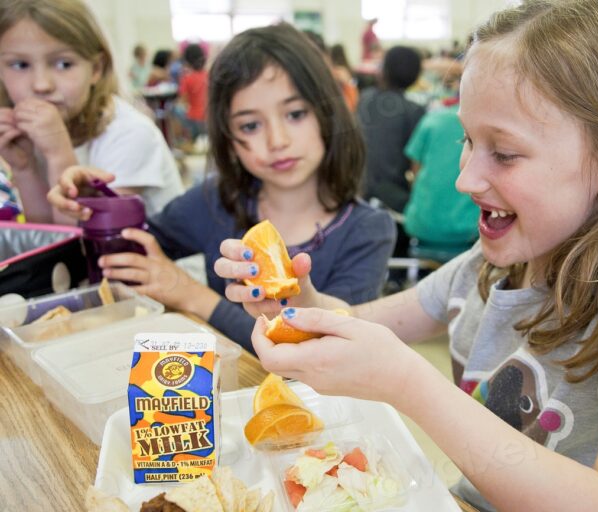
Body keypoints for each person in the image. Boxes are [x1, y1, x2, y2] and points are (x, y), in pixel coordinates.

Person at [214, 1, 598, 510]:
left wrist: (410, 385)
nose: (464, 179)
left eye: (504, 153)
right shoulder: (491, 263)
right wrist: (301, 304)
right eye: (467, 138)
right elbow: (361, 322)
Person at [48, 24, 396, 353]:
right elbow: (128, 254)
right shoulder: (214, 201)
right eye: (250, 125)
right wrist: (99, 210)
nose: (277, 141)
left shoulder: (368, 230)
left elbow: (320, 351)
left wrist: (193, 296)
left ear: (328, 114)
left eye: (295, 114)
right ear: (228, 139)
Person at [0, 0, 183, 223]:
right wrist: (24, 169)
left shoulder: (130, 133)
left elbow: (83, 247)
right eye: (20, 65)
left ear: (96, 68)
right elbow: (46, 239)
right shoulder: (33, 131)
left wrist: (59, 154)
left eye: (64, 64)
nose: (41, 85)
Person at [402, 92, 478, 257]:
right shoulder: (483, 124)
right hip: (469, 233)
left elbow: (415, 171)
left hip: (421, 227)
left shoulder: (432, 120)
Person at [357, 45, 425, 214]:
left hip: (357, 191)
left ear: (384, 70)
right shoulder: (414, 111)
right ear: (416, 75)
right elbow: (417, 167)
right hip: (392, 199)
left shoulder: (365, 98)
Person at [174, 43, 208, 145]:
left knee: (175, 109)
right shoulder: (210, 75)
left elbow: (183, 101)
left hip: (194, 119)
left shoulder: (186, 79)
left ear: (187, 61)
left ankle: (182, 140)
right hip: (209, 117)